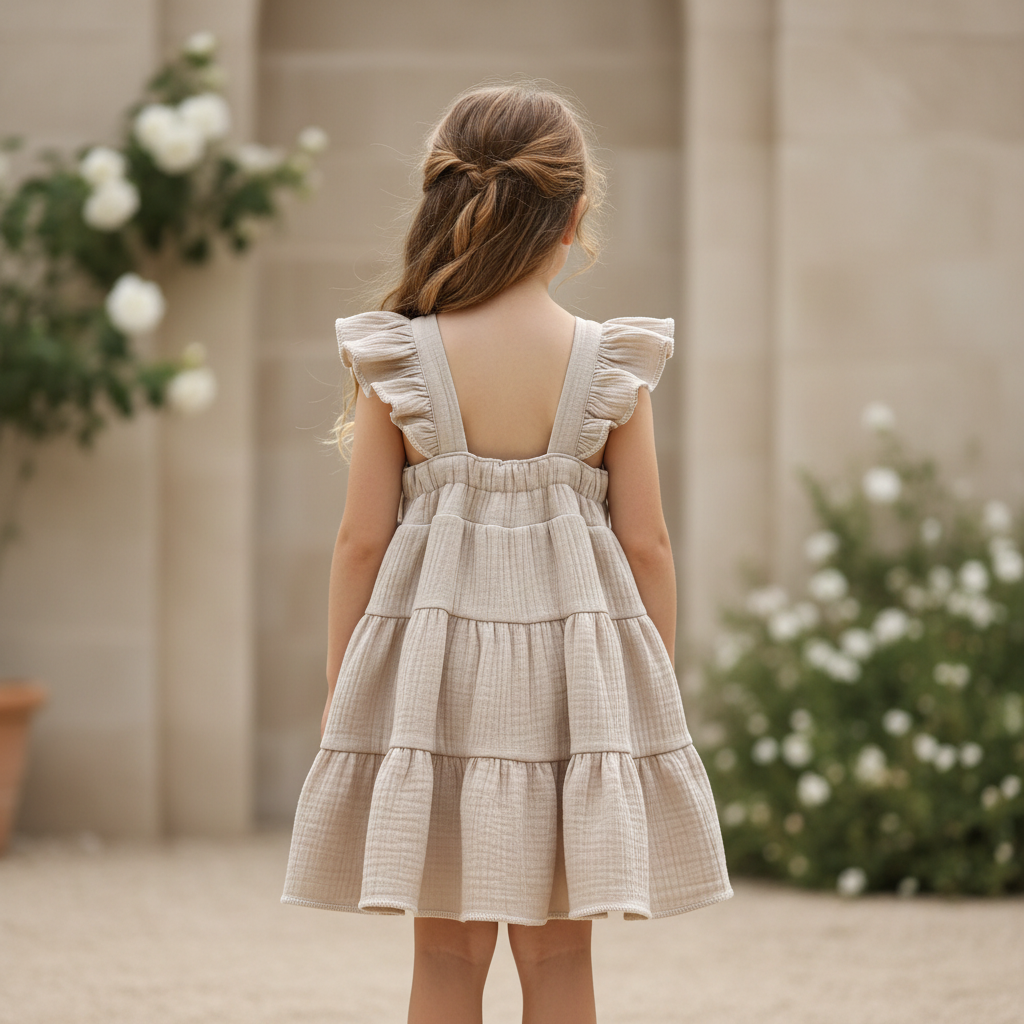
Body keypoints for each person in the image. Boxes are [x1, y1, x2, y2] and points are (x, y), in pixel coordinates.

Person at [282, 82, 732, 1024]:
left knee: (443, 956)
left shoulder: (399, 359)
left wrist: (343, 685)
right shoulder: (611, 363)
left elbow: (362, 539)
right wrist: (647, 679)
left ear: (441, 203)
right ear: (574, 216)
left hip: (434, 691)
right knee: (563, 958)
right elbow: (646, 542)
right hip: (573, 693)